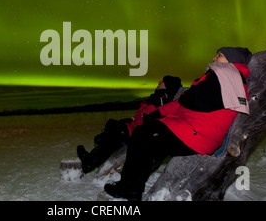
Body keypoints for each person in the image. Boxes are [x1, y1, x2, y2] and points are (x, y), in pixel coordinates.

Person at [103, 47, 252, 200]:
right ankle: (131, 187)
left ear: (233, 60)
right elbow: (185, 101)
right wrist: (159, 112)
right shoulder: (222, 76)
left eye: (219, 56)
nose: (214, 58)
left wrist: (189, 97)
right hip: (192, 129)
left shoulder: (227, 76)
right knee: (144, 134)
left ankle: (130, 189)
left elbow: (196, 102)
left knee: (142, 135)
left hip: (198, 135)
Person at [76, 75, 183, 174]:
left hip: (138, 134)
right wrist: (129, 120)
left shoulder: (160, 100)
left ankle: (90, 160)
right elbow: (141, 117)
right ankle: (92, 157)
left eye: (163, 82)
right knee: (113, 126)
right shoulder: (156, 98)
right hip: (134, 128)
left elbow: (151, 120)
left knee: (114, 135)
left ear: (167, 87)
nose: (159, 82)